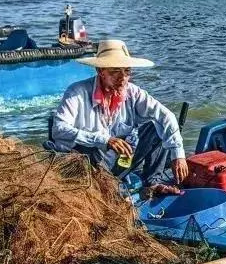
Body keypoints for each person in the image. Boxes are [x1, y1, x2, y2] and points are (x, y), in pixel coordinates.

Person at [49, 39, 187, 195]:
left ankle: (153, 181)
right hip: (86, 165)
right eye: (115, 71)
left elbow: (165, 116)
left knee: (157, 126)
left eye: (127, 71)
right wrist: (104, 140)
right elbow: (58, 129)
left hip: (118, 161)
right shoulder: (77, 92)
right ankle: (106, 188)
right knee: (92, 148)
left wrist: (178, 154)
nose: (123, 78)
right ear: (100, 71)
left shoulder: (133, 92)